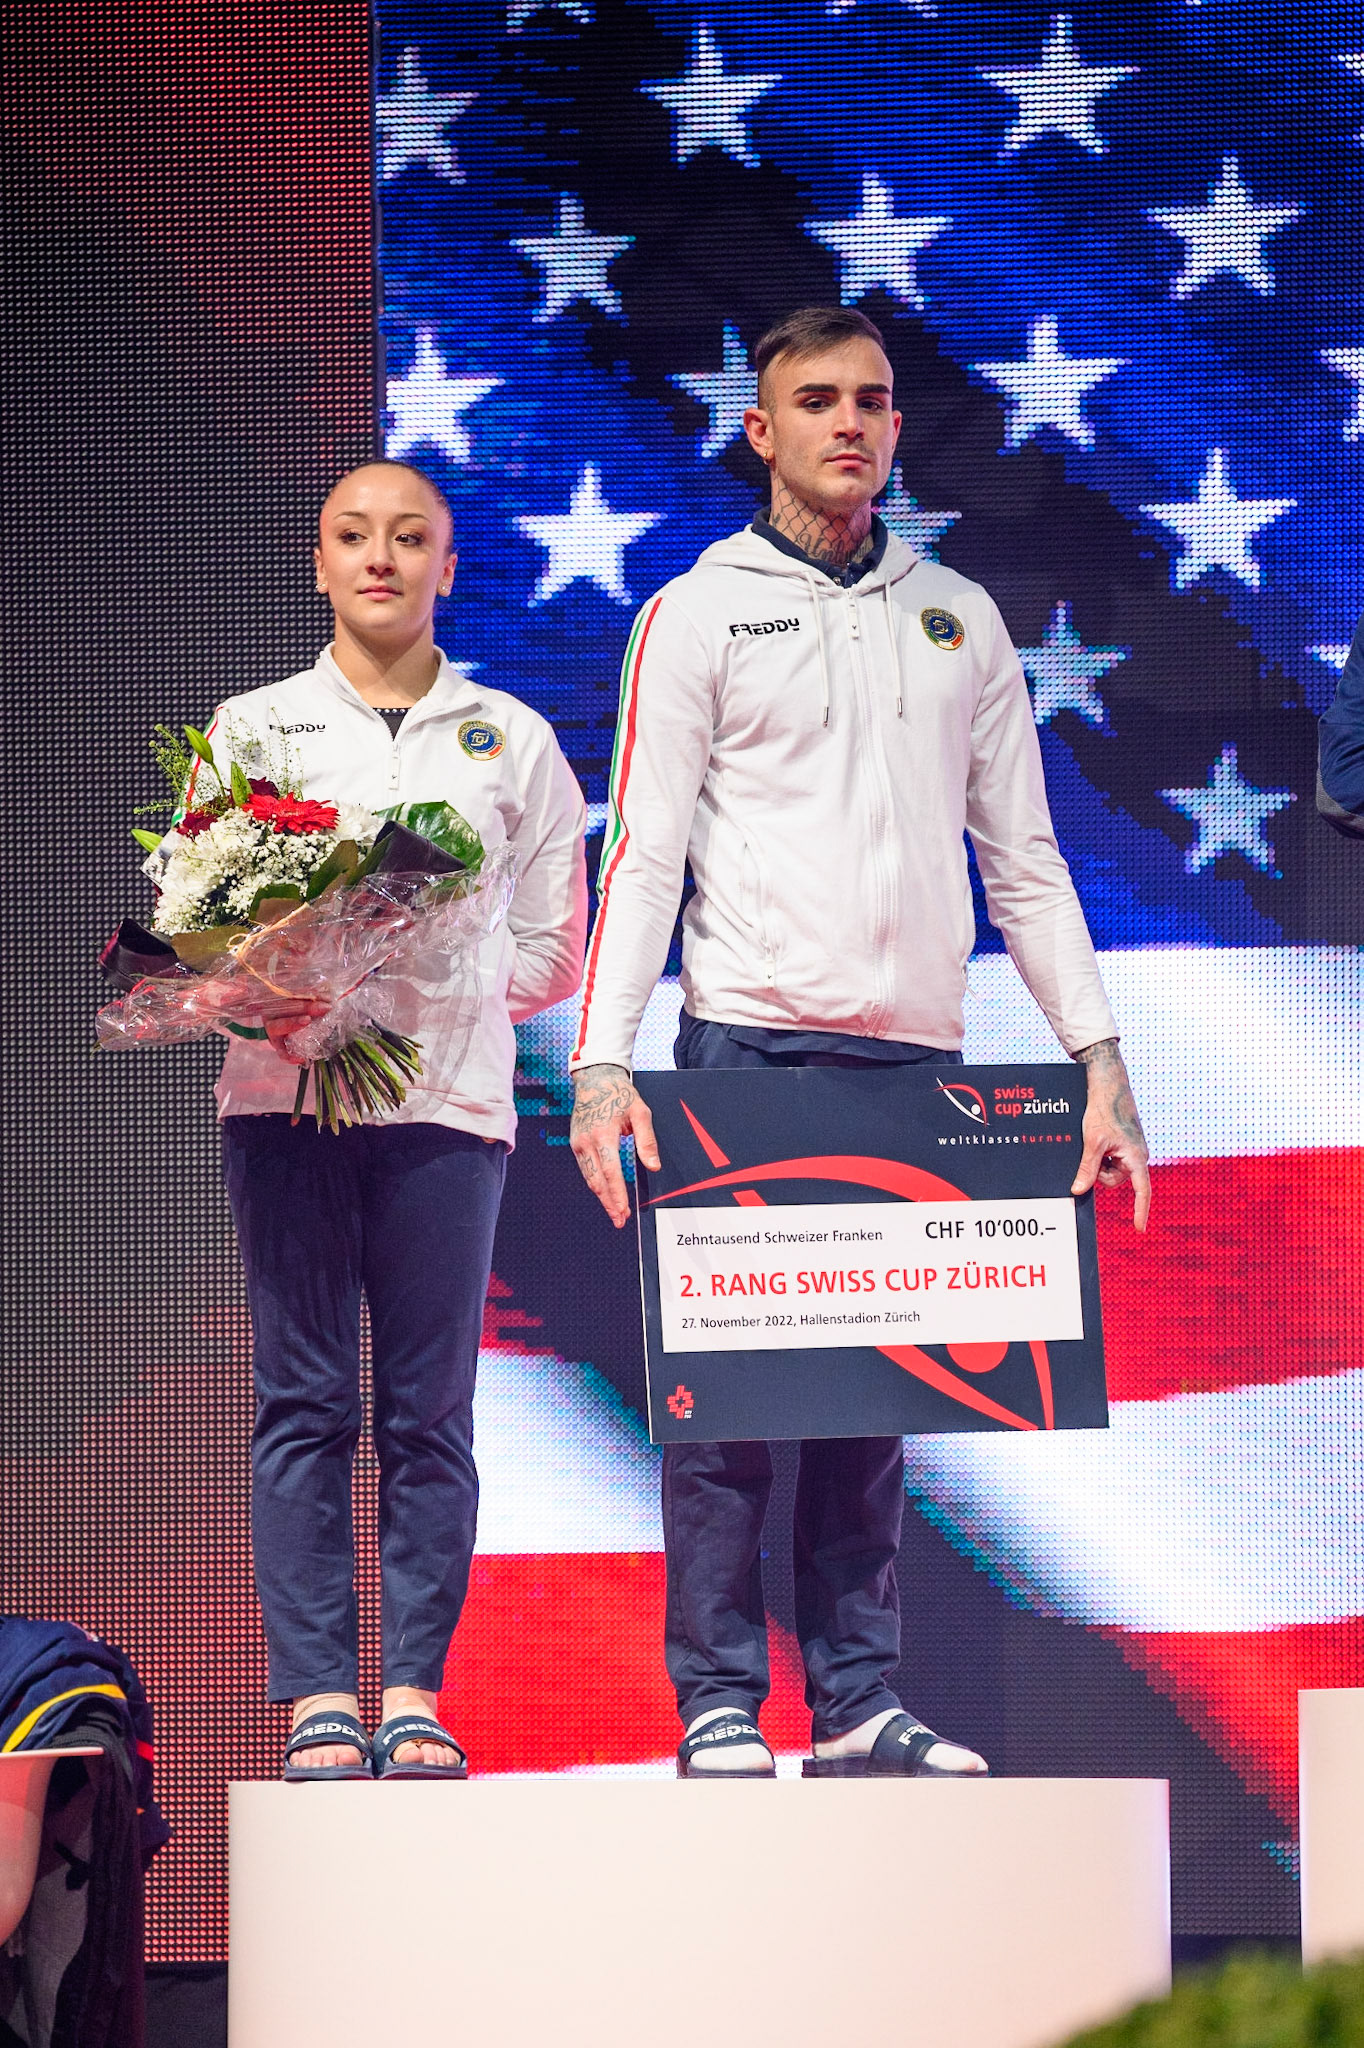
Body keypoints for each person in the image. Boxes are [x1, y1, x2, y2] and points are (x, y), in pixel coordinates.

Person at [569, 306, 1150, 1780]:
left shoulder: (958, 616)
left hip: (916, 1062)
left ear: (898, 429)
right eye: (814, 400)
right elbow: (639, 854)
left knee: (875, 1405)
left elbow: (1024, 859)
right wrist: (601, 1064)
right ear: (759, 430)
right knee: (725, 1417)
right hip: (742, 1051)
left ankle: (855, 1704)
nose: (848, 423)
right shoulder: (696, 612)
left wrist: (1097, 1054)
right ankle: (714, 1699)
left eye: (872, 401)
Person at [200, 460, 587, 1779]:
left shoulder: (512, 742)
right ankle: (315, 1694)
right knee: (303, 1400)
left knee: (429, 1414)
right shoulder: (253, 731)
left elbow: (556, 955)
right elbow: (196, 913)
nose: (381, 557)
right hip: (286, 1106)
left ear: (448, 566)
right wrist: (274, 973)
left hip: (446, 1109)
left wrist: (414, 961)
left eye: (410, 537)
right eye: (354, 537)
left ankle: (414, 1689)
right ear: (319, 565)